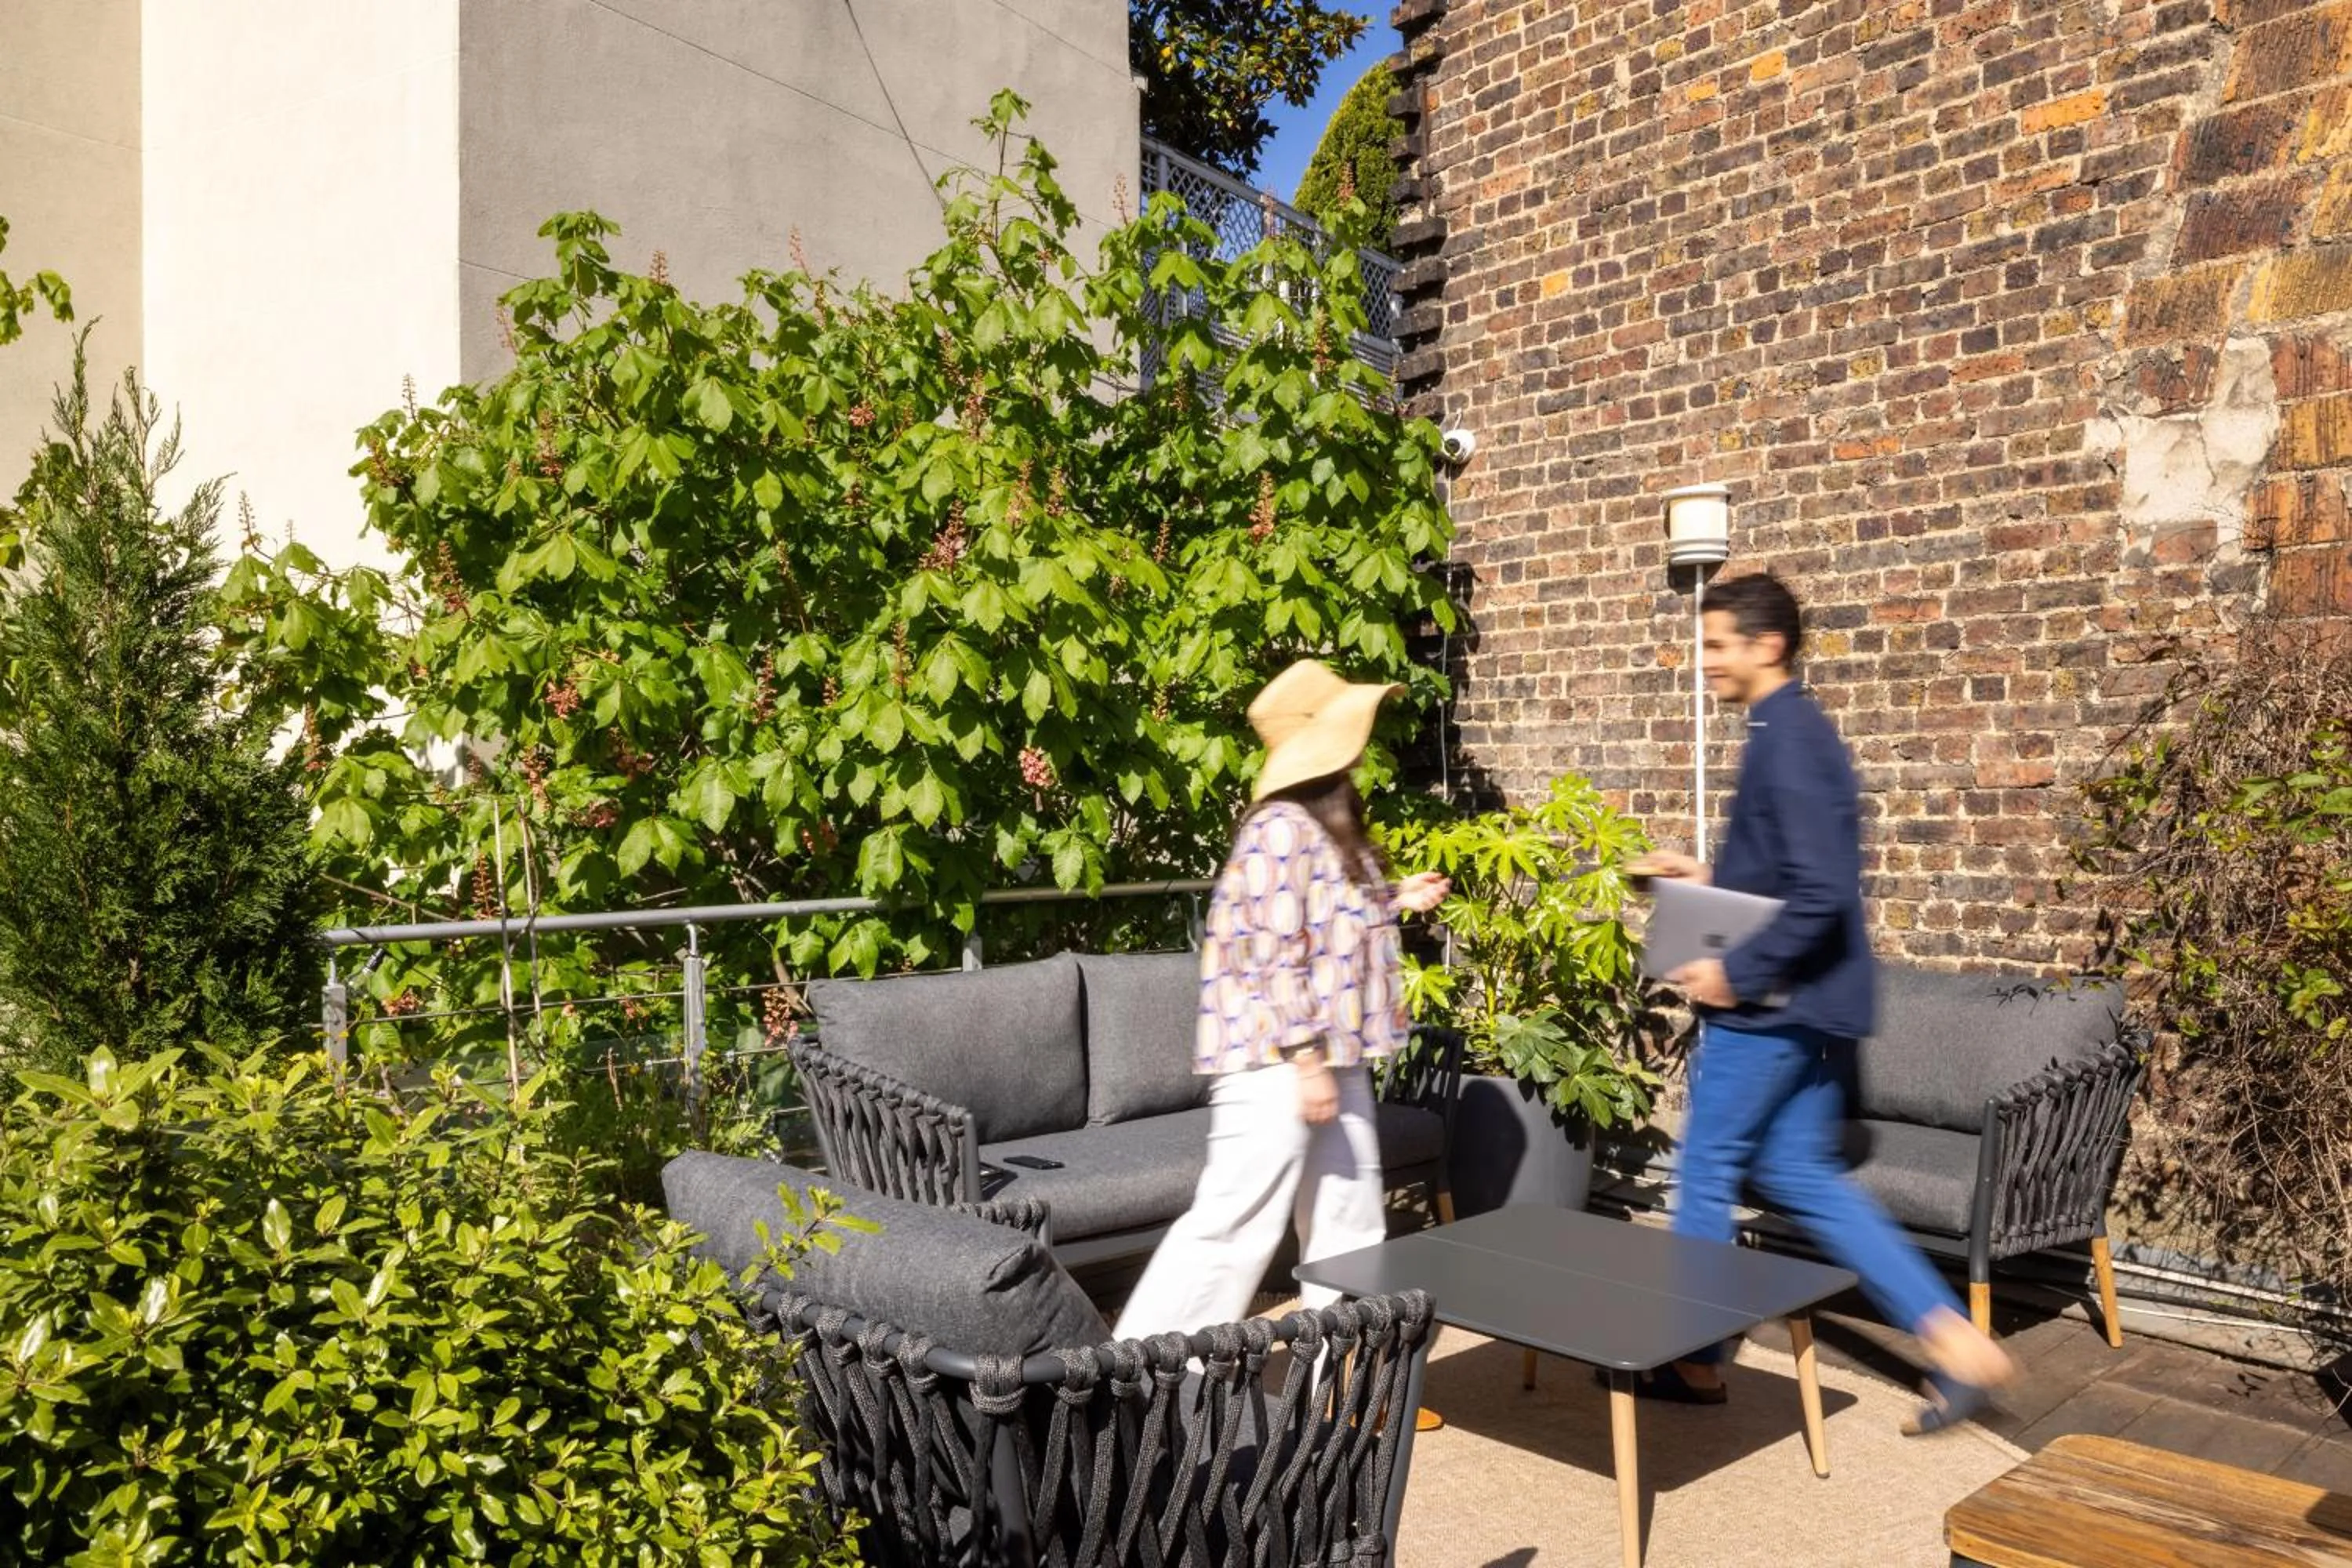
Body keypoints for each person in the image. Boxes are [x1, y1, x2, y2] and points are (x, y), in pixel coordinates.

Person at [1628, 572, 2013, 1435]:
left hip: (1770, 1009)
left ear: (1767, 645)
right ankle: (1955, 1340)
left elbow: (1822, 891)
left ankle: (1692, 1358)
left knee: (1706, 1168)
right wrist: (1706, 879)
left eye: (1719, 642)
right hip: (1813, 1006)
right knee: (1802, 1172)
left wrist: (1737, 973)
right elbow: (1793, 875)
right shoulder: (1785, 730)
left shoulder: (1789, 739)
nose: (1707, 660)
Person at [1114, 659, 1450, 1352]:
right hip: (1279, 1063)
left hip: (1332, 1057)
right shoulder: (1278, 828)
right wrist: (1305, 1061)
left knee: (1349, 1221)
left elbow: (1320, 923)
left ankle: (1349, 1376)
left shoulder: (1318, 830)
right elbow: (1271, 949)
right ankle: (1142, 1373)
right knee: (1236, 1222)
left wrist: (1395, 898)